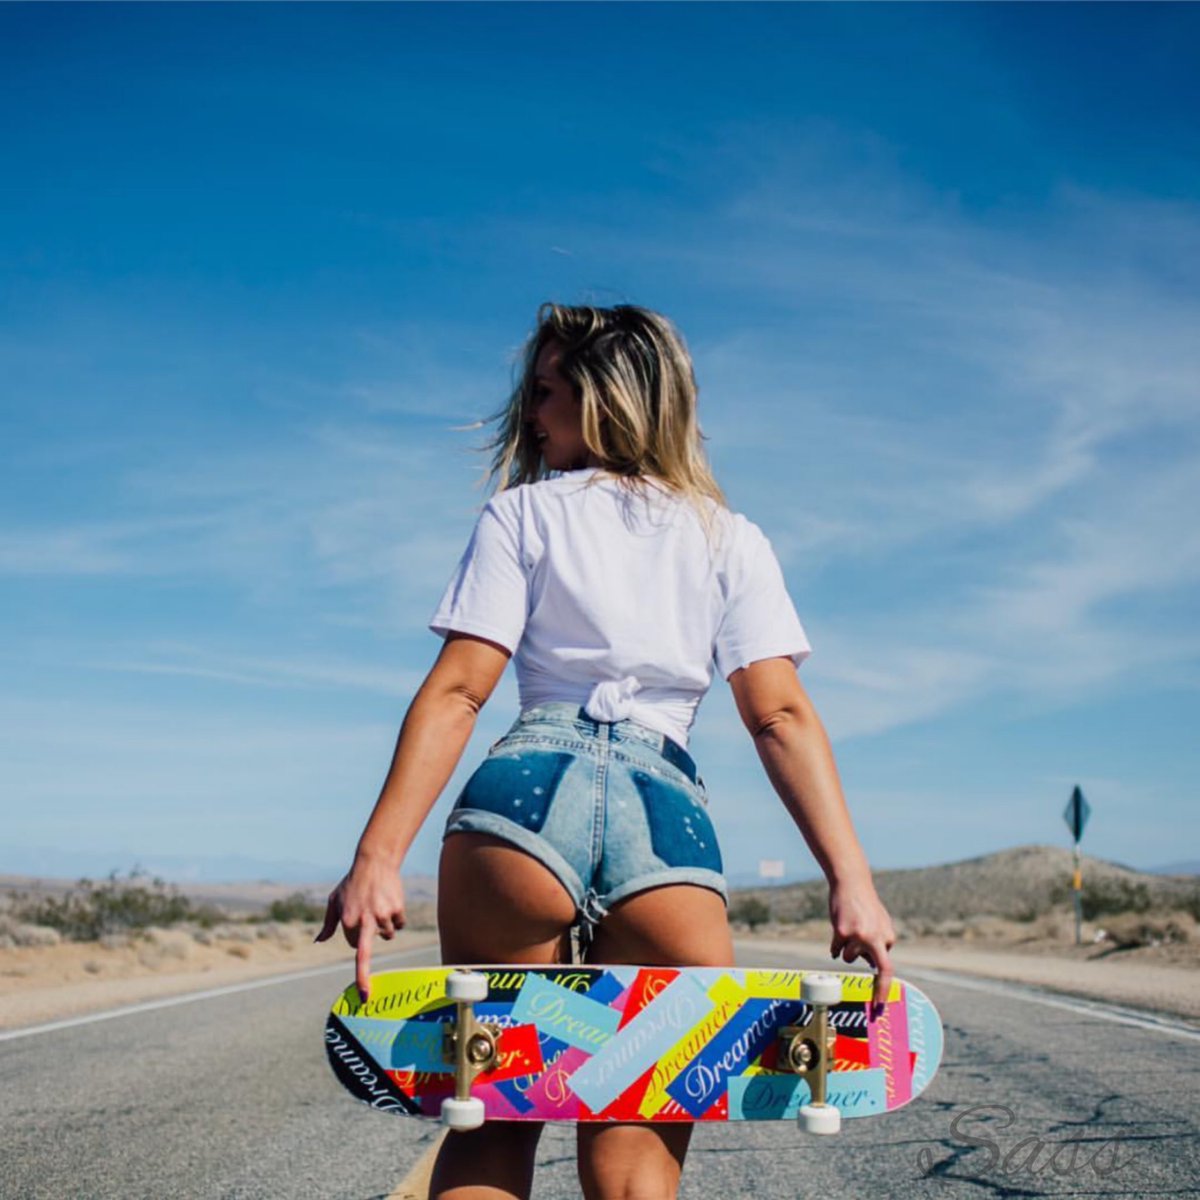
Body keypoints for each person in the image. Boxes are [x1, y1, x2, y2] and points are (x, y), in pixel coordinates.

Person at [317, 302, 897, 1200]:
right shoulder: (728, 538)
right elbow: (779, 714)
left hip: (519, 805)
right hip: (665, 824)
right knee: (638, 1141)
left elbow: (461, 688)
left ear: (604, 399)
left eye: (546, 394)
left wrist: (377, 856)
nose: (532, 416)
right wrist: (851, 881)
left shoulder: (521, 518)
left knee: (490, 1119)